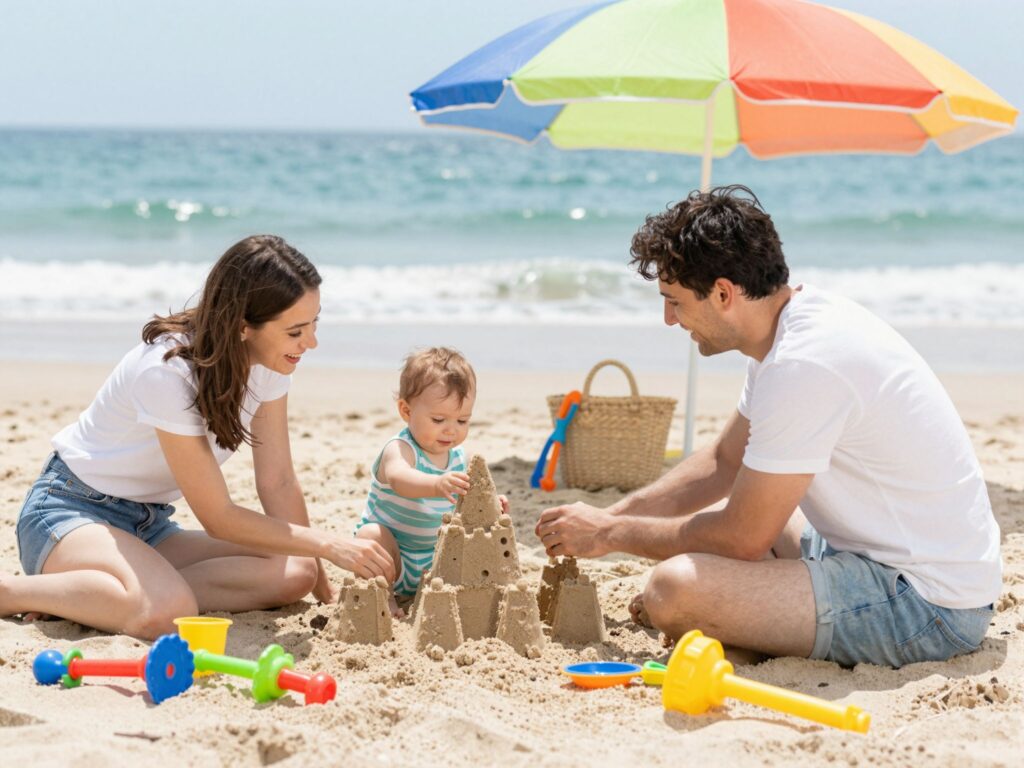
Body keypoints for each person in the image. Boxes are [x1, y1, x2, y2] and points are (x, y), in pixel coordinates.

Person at [535, 186, 1001, 668]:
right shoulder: (792, 327)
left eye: (674, 302)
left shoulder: (804, 364)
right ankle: (752, 621)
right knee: (724, 505)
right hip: (881, 552)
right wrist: (607, 517)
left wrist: (611, 534)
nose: (669, 320)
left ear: (722, 293)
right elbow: (723, 462)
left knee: (671, 589)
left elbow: (742, 539)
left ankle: (746, 626)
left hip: (927, 604)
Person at [2, 235, 394, 639]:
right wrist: (330, 543)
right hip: (70, 514)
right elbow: (219, 516)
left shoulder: (269, 364)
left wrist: (321, 582)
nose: (310, 342)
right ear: (244, 327)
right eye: (296, 331)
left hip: (148, 527)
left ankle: (102, 595)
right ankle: (15, 593)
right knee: (167, 615)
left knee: (296, 571)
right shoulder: (166, 372)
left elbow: (277, 480)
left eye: (314, 324)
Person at [355, 347, 505, 615]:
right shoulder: (400, 449)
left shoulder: (459, 457)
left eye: (462, 420)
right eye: (438, 419)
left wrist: (490, 506)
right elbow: (401, 479)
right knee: (370, 536)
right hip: (394, 557)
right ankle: (383, 599)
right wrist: (437, 485)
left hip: (438, 560)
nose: (451, 429)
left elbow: (468, 503)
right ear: (405, 410)